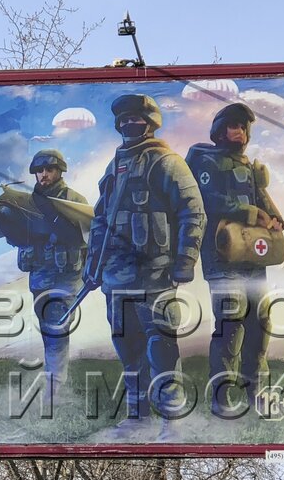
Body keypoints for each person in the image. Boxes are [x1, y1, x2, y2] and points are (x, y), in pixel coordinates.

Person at [84, 94, 206, 438]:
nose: (127, 124)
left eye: (135, 118)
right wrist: (92, 265)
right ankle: (138, 416)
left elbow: (193, 211)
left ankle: (172, 419)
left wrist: (185, 261)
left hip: (156, 274)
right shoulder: (116, 164)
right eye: (122, 119)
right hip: (116, 276)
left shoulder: (166, 162)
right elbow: (100, 220)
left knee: (161, 347)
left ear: (150, 122)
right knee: (127, 346)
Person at [186, 103, 284, 417]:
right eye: (233, 126)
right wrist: (248, 212)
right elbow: (205, 199)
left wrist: (273, 218)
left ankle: (256, 390)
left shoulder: (249, 167)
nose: (238, 132)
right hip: (221, 256)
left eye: (243, 127)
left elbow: (263, 201)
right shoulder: (204, 160)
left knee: (260, 323)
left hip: (251, 257)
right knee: (230, 325)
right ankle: (222, 397)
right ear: (220, 130)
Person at [0, 148, 90, 396]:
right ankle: (55, 381)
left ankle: (55, 387)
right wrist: (5, 218)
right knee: (48, 326)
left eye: (50, 169)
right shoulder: (27, 202)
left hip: (66, 275)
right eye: (40, 171)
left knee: (56, 325)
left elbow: (89, 236)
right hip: (40, 275)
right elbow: (17, 236)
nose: (44, 175)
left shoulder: (74, 200)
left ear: (60, 171)